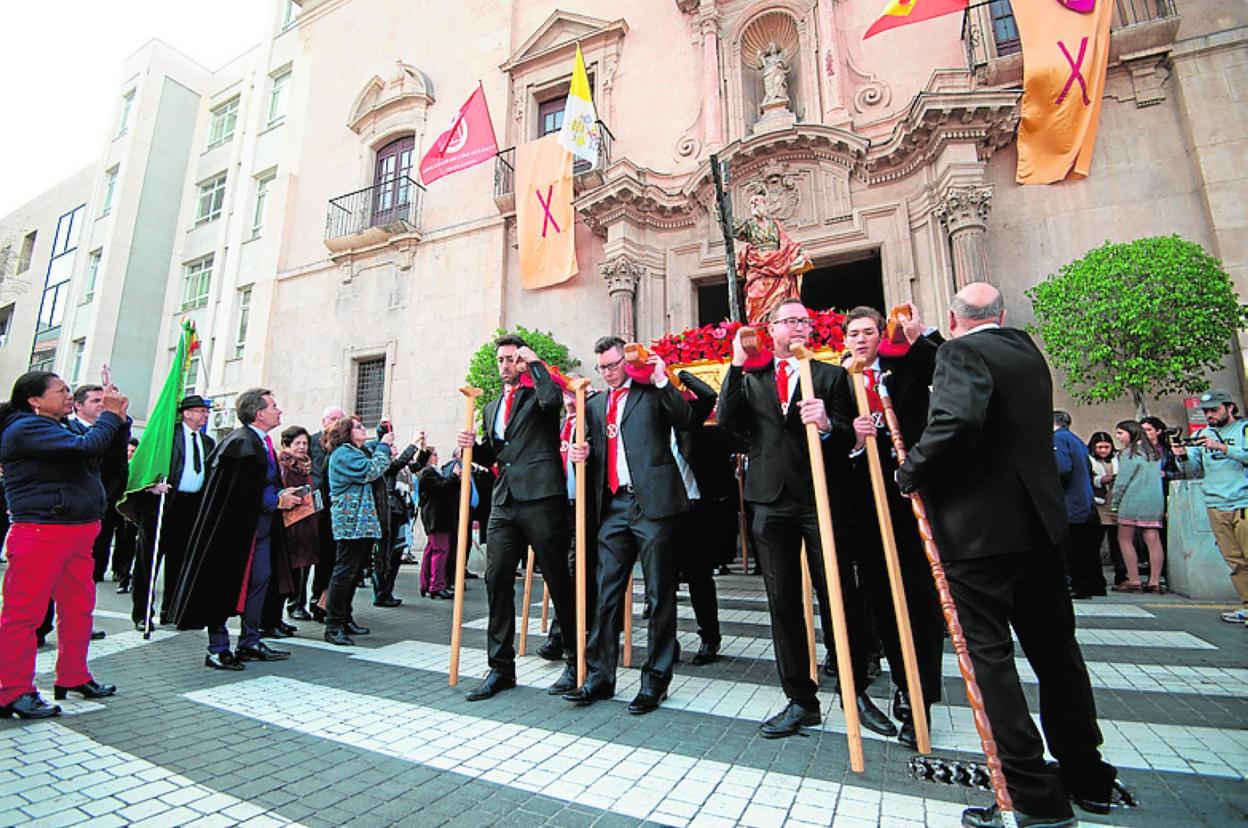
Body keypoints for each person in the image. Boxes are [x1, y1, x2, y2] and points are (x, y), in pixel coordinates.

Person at [895, 283, 1121, 828]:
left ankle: (1029, 793)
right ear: (1000, 314)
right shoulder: (1024, 350)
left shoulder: (959, 351)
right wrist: (928, 338)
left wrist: (911, 470)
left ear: (955, 319)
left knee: (988, 658)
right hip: (1039, 532)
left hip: (979, 536)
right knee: (1056, 653)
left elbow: (955, 423)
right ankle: (1087, 773)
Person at [716, 298, 892, 739]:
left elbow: (853, 433)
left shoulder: (831, 375)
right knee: (783, 602)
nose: (797, 327)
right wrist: (736, 366)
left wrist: (829, 425)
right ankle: (800, 698)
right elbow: (728, 422)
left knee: (837, 594)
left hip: (818, 497)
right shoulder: (752, 376)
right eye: (788, 321)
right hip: (768, 501)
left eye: (803, 321)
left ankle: (856, 692)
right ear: (770, 328)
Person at [564, 336, 696, 715]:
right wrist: (580, 455)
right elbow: (588, 451)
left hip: (653, 503)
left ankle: (655, 681)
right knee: (605, 592)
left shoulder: (651, 392)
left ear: (627, 360)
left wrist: (660, 380)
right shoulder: (594, 405)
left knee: (658, 594)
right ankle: (599, 677)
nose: (608, 373)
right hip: (614, 506)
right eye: (602, 367)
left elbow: (687, 420)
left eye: (614, 364)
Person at [841, 304, 945, 748]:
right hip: (863, 504)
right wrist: (851, 436)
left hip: (910, 502)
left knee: (919, 599)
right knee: (880, 597)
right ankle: (898, 680)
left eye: (868, 331)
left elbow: (943, 363)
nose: (861, 339)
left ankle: (919, 692)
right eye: (853, 333)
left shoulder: (905, 368)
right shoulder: (838, 383)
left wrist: (922, 334)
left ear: (881, 335)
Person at [455, 335, 579, 701]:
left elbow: (552, 399)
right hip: (505, 501)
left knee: (557, 578)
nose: (506, 365)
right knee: (497, 578)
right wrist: (471, 447)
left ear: (522, 361)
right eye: (501, 360)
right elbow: (497, 452)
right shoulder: (492, 406)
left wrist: (537, 363)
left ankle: (574, 659)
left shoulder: (539, 395)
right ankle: (500, 668)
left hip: (542, 497)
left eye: (512, 359)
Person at [0, 372, 127, 719]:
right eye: (61, 391)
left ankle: (73, 675)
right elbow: (86, 447)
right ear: (34, 400)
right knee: (22, 616)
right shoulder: (26, 428)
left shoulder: (62, 426)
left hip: (77, 530)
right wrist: (110, 416)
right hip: (42, 531)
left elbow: (102, 453)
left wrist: (119, 419)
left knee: (78, 609)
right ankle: (11, 691)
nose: (68, 396)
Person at [167, 388, 303, 669]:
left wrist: (283, 493)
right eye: (274, 406)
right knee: (224, 584)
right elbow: (240, 491)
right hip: (235, 531)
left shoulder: (261, 441)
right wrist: (276, 500)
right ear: (259, 413)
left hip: (260, 529)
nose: (279, 411)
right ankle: (218, 647)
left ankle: (250, 641)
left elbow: (261, 483)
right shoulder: (240, 444)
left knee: (260, 582)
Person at [130, 394, 215, 631]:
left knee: (180, 561)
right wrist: (151, 485)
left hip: (191, 506)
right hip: (163, 504)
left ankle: (173, 610)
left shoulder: (207, 442)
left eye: (206, 411)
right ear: (187, 413)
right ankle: (143, 613)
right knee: (150, 561)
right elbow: (145, 464)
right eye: (200, 411)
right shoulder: (167, 437)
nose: (205, 415)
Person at [1173, 389, 1248, 624]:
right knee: (1235, 561)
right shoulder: (1203, 434)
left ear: (1230, 408)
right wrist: (1182, 455)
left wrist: (1223, 448)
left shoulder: (1244, 429)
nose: (1209, 415)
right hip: (1216, 504)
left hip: (1243, 502)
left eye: (1214, 410)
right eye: (1205, 411)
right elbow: (1192, 470)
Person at [324, 416, 399, 645]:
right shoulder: (343, 454)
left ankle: (345, 618)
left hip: (362, 523)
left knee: (354, 574)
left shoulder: (357, 451)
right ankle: (333, 624)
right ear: (346, 433)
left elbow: (374, 452)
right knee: (344, 572)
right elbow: (372, 469)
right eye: (357, 427)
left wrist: (382, 437)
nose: (362, 429)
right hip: (350, 524)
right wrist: (385, 445)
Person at [266, 426, 320, 635]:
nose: (302, 447)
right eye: (297, 443)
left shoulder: (304, 467)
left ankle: (278, 619)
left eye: (305, 443)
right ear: (287, 445)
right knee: (282, 577)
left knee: (295, 576)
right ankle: (271, 620)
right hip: (287, 527)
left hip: (303, 526)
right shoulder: (284, 466)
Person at [372, 422, 428, 608]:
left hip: (401, 512)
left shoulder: (403, 468)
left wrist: (423, 447)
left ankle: (388, 591)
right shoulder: (387, 467)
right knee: (386, 554)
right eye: (392, 446)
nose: (394, 448)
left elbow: (417, 464)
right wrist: (412, 443)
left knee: (396, 554)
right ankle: (381, 592)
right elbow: (401, 461)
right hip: (390, 513)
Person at [734, 191, 811, 325]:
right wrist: (720, 202)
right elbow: (729, 227)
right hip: (758, 271)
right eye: (751, 203)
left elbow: (787, 243)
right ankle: (761, 327)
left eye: (756, 201)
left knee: (780, 305)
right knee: (756, 301)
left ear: (765, 204)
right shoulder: (748, 226)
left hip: (779, 269)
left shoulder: (775, 225)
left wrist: (801, 252)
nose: (753, 204)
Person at [1053, 411, 1105, 599]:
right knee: (1086, 548)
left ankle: (1079, 586)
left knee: (1073, 549)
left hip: (1070, 502)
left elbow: (1061, 468)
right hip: (1084, 501)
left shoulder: (1058, 439)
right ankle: (1094, 584)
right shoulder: (1076, 440)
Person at [1110, 420, 1166, 593]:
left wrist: (1114, 503)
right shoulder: (1153, 453)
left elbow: (1121, 482)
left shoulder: (1129, 453)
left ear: (1131, 433)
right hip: (1154, 502)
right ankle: (1154, 581)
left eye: (1121, 433)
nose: (1118, 437)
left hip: (1132, 501)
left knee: (1125, 539)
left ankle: (1134, 580)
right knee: (1153, 541)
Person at [304, 406, 346, 622]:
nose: (337, 422)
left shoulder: (343, 447)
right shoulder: (311, 442)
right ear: (323, 422)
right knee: (305, 559)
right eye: (333, 419)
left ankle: (320, 601)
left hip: (333, 510)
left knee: (328, 558)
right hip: (314, 508)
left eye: (341, 419)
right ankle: (297, 603)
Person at [416, 447, 459, 599]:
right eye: (434, 455)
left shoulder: (432, 473)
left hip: (437, 517)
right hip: (436, 517)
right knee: (441, 550)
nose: (437, 457)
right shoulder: (428, 473)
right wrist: (454, 477)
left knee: (431, 550)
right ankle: (436, 585)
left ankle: (426, 583)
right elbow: (441, 488)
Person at [1087, 432, 1123, 586]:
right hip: (1098, 505)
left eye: (1106, 447)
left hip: (1115, 505)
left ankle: (1121, 574)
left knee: (1118, 543)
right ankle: (1095, 577)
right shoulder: (1089, 461)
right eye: (1100, 447)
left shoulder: (1117, 460)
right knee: (1095, 543)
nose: (1103, 451)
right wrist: (1099, 480)